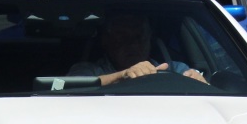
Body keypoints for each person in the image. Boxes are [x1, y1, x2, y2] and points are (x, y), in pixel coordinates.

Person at [68, 12, 206, 85]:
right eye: (123, 37)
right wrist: (123, 75)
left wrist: (199, 83)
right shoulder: (88, 70)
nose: (133, 44)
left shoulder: (175, 70)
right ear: (106, 41)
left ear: (150, 39)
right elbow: (71, 87)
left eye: (139, 37)